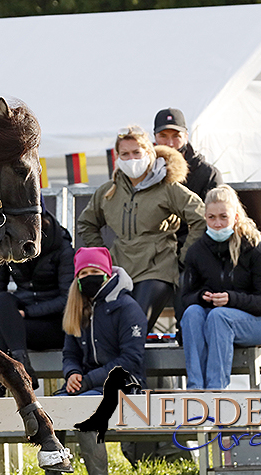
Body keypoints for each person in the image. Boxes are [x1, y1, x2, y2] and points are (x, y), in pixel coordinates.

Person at [76, 125, 206, 334]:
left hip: (157, 269)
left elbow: (201, 216)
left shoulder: (167, 186)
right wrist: (103, 258)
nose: (131, 159)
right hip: (120, 269)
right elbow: (86, 223)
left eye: (137, 152)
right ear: (117, 157)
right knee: (111, 330)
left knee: (134, 325)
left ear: (149, 152)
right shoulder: (108, 190)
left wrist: (185, 255)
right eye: (125, 154)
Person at [39, 247, 147, 475]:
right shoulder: (78, 308)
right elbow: (70, 354)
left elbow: (130, 360)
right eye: (84, 273)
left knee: (85, 409)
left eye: (95, 272)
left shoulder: (127, 308)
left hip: (124, 385)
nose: (89, 277)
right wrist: (73, 373)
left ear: (107, 275)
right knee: (52, 409)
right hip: (89, 385)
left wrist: (87, 380)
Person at [181, 185, 261, 390]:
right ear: (205, 218)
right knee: (192, 314)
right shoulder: (196, 251)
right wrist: (201, 297)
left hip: (258, 321)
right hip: (213, 320)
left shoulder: (254, 248)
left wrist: (231, 299)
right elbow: (185, 298)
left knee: (219, 316)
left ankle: (216, 390)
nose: (217, 224)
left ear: (235, 216)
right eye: (211, 217)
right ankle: (195, 389)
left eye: (223, 217)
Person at [0, 208, 74, 398]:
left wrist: (28, 313)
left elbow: (67, 299)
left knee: (7, 321)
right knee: (3, 300)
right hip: (20, 329)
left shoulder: (62, 247)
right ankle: (23, 367)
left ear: (42, 220)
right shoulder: (8, 243)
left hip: (56, 326)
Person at [152, 108, 223, 203]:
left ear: (186, 137)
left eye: (176, 136)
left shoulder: (208, 174)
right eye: (163, 136)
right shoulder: (145, 172)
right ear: (155, 137)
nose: (170, 144)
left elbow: (217, 212)